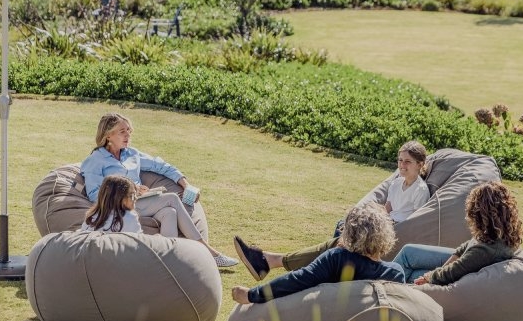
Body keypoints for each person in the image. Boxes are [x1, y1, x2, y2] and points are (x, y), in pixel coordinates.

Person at [233, 140, 430, 281]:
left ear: (420, 164)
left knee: (340, 242)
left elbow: (416, 223)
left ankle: (272, 261)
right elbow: (387, 209)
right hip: (383, 225)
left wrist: (379, 228)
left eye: (407, 162)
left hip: (393, 234)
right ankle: (288, 264)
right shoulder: (396, 184)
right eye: (400, 160)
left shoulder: (421, 191)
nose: (402, 165)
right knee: (342, 227)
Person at [80, 112, 238, 267]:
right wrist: (131, 189)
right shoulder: (95, 160)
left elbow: (160, 165)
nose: (127, 135)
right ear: (108, 135)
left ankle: (167, 261)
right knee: (172, 199)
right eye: (122, 131)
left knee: (170, 213)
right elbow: (94, 195)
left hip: (140, 201)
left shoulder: (132, 154)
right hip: (118, 207)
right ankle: (208, 252)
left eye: (129, 131)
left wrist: (186, 185)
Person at [231, 202, 404, 304]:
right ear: (386, 235)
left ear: (350, 232)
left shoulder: (338, 258)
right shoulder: (396, 272)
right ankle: (269, 260)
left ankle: (268, 261)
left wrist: (250, 295)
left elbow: (297, 280)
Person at [393, 180, 522, 285]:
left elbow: (453, 272)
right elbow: (466, 246)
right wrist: (444, 266)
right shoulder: (498, 232)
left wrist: (429, 277)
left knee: (409, 274)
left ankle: (381, 291)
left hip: (456, 279)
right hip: (460, 264)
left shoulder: (486, 250)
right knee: (408, 252)